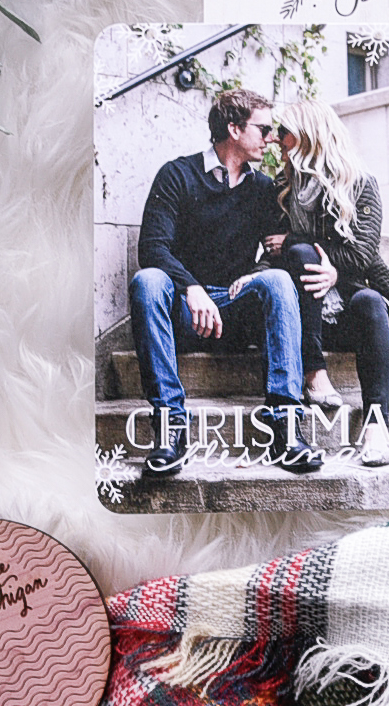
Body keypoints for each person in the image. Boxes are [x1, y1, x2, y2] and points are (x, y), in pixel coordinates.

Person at [128, 87, 320, 478]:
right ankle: (170, 426)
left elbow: (284, 246)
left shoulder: (264, 189)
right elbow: (152, 248)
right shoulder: (177, 176)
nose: (271, 139)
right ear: (234, 128)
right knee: (148, 281)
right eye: (264, 129)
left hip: (233, 311)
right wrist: (190, 287)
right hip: (186, 314)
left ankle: (285, 424)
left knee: (279, 281)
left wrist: (260, 271)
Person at [266, 97, 389, 466]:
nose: (276, 140)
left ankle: (376, 426)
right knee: (302, 255)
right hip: (303, 313)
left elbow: (363, 254)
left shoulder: (361, 183)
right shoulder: (280, 186)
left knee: (370, 302)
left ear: (307, 136)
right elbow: (272, 248)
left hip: (348, 298)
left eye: (284, 132)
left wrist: (331, 265)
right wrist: (298, 247)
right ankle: (314, 372)